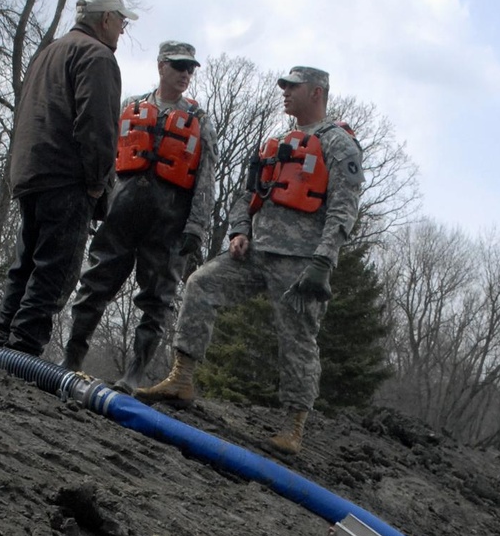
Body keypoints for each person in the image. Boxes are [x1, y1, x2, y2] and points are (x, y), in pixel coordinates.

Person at [136, 65, 364, 457]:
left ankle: (293, 426)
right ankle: (182, 377)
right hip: (256, 250)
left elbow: (344, 209)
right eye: (284, 87)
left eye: (293, 87)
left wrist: (324, 260)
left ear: (316, 93)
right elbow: (246, 194)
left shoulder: (338, 145)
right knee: (201, 284)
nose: (285, 93)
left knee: (297, 339)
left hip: (301, 260)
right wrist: (239, 232)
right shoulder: (275, 142)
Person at [0, 0, 138, 356]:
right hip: (67, 178)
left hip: (30, 174)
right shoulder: (97, 57)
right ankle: (22, 354)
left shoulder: (48, 53)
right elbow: (98, 124)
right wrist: (96, 184)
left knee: (24, 268)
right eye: (122, 22)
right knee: (54, 274)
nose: (122, 29)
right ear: (105, 20)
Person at [62, 41, 217, 392]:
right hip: (122, 212)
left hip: (169, 221)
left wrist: (197, 226)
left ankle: (133, 375)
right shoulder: (130, 108)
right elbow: (108, 160)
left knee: (157, 298)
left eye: (190, 68)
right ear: (161, 65)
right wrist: (95, 203)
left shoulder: (199, 121)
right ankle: (72, 357)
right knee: (95, 284)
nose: (185, 74)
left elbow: (206, 176)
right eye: (178, 66)